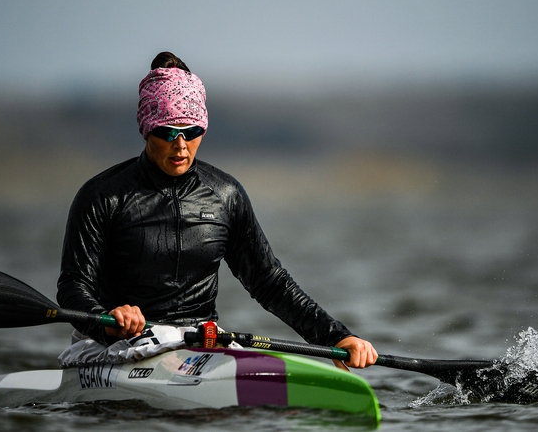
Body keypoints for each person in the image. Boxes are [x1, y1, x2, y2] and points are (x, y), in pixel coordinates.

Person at [56, 51, 377, 370]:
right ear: (146, 128)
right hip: (114, 343)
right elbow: (73, 287)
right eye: (169, 133)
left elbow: (269, 282)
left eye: (192, 132)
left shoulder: (225, 195)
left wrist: (336, 338)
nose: (181, 146)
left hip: (201, 340)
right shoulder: (102, 196)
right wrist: (107, 322)